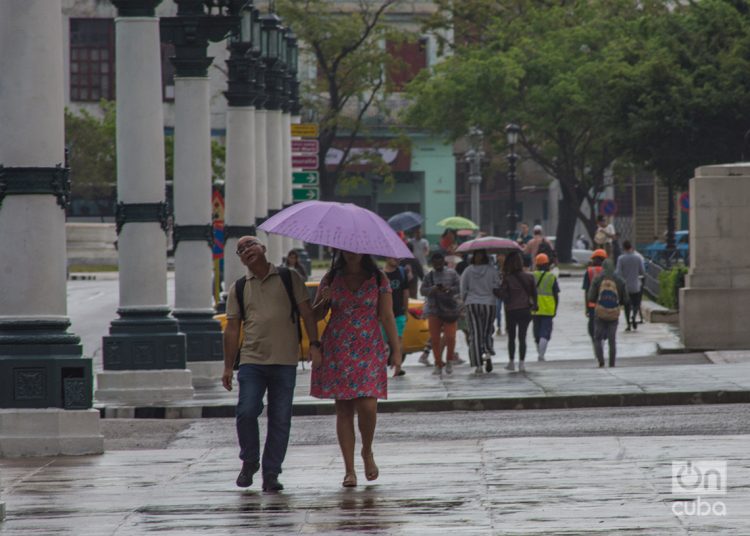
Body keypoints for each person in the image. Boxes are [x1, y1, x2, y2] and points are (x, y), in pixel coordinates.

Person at [223, 236, 322, 492]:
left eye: (251, 245)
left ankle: (271, 472)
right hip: (251, 361)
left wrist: (315, 344)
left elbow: (307, 313)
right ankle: (250, 461)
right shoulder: (240, 287)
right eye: (241, 250)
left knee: (280, 419)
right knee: (246, 411)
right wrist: (227, 366)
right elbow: (232, 329)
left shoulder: (290, 278)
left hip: (285, 361)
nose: (247, 250)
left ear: (263, 248)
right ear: (241, 259)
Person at [310, 249, 401, 488]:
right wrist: (323, 299)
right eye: (347, 250)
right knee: (344, 410)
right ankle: (349, 470)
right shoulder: (330, 278)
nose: (351, 254)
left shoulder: (379, 278)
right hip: (337, 346)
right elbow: (316, 315)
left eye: (356, 250)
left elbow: (387, 315)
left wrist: (396, 349)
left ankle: (367, 451)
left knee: (368, 406)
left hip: (369, 346)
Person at [460, 249, 501, 374]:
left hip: (472, 304)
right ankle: (488, 351)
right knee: (488, 330)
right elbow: (497, 287)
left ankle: (478, 365)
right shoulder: (492, 270)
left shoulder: (467, 271)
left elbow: (463, 290)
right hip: (489, 304)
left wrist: (463, 303)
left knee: (475, 334)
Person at [421, 251, 461, 376]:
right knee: (435, 339)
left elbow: (459, 287)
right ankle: (438, 364)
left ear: (443, 262)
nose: (437, 265)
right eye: (435, 263)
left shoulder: (452, 273)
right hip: (433, 310)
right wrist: (432, 289)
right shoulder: (428, 275)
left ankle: (449, 361)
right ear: (432, 263)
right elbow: (422, 291)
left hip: (450, 309)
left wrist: (449, 290)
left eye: (440, 263)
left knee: (451, 337)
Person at [498, 250, 537, 372]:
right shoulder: (529, 277)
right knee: (522, 337)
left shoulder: (507, 278)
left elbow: (504, 295)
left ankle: (511, 362)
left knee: (512, 337)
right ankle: (522, 363)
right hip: (525, 310)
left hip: (511, 311)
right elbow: (534, 294)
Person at [587, 259, 629, 367]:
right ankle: (612, 363)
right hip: (613, 314)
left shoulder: (597, 279)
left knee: (597, 337)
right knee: (612, 339)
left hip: (600, 314)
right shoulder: (619, 280)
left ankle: (601, 361)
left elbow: (590, 297)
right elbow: (626, 300)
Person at [384, 257, 411, 376]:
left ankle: (398, 368)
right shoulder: (380, 274)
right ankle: (381, 367)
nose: (396, 260)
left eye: (397, 258)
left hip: (399, 313)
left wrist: (406, 310)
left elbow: (406, 292)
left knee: (398, 340)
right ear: (387, 257)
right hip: (384, 314)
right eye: (393, 257)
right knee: (382, 342)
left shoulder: (401, 272)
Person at [531, 253, 560, 362]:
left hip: (535, 309)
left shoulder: (532, 276)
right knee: (545, 332)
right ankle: (542, 355)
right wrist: (555, 309)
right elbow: (556, 295)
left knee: (537, 333)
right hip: (548, 309)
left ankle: (539, 353)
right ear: (547, 264)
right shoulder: (551, 277)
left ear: (537, 264)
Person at [615, 240, 645, 331]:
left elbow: (618, 273)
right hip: (636, 285)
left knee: (627, 305)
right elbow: (642, 271)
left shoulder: (621, 259)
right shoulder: (638, 258)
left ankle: (628, 324)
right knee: (636, 303)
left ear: (623, 248)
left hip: (625, 287)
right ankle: (634, 317)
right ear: (631, 247)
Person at [583, 249, 608, 347]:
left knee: (592, 327)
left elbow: (586, 291)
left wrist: (586, 307)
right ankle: (602, 342)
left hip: (593, 305)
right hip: (606, 304)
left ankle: (597, 344)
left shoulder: (589, 272)